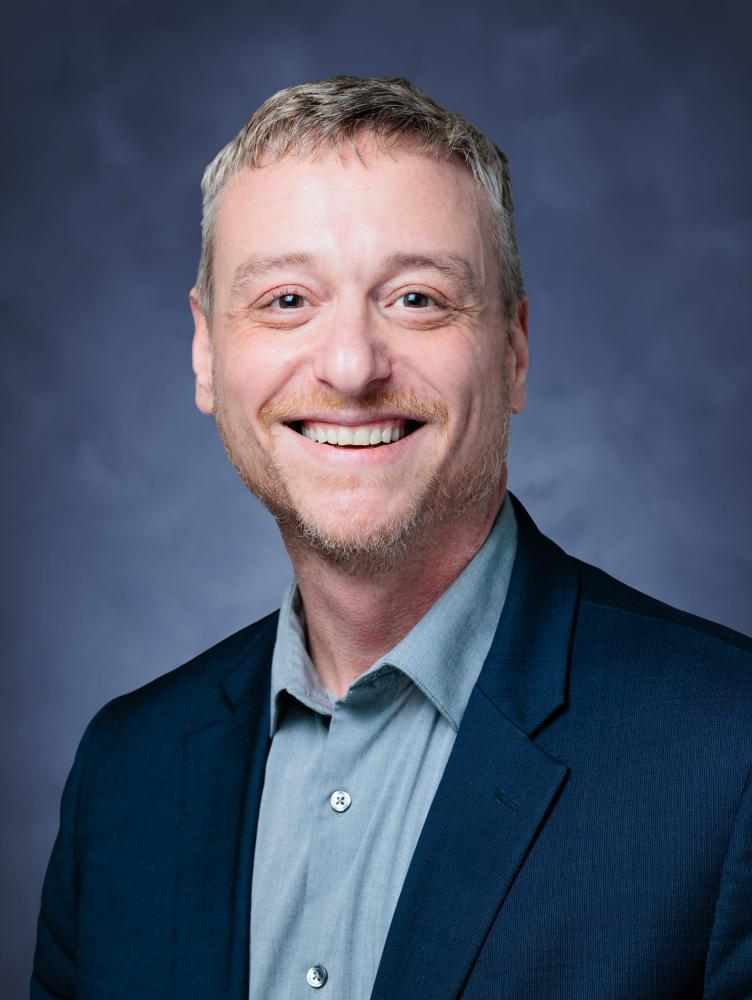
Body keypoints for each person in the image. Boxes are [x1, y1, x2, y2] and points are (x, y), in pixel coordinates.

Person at [31, 75, 752, 1000]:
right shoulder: (124, 774)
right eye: (288, 299)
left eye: (415, 299)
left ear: (514, 351)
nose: (350, 366)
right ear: (207, 355)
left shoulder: (729, 754)